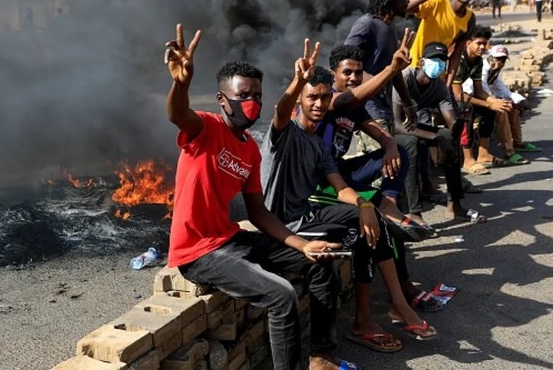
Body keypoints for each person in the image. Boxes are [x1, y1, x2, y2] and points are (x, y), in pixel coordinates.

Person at [164, 23, 355, 370]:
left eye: (257, 96)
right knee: (281, 295)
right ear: (223, 99)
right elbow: (177, 114)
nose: (252, 103)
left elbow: (258, 212)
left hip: (229, 238)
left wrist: (302, 245)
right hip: (198, 252)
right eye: (243, 96)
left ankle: (322, 356)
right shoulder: (205, 128)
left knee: (320, 263)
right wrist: (181, 83)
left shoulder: (250, 149)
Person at [261, 37, 437, 355]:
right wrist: (297, 81)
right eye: (311, 97)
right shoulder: (285, 132)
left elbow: (340, 185)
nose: (318, 104)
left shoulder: (319, 144)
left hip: (309, 214)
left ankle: (375, 314)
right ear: (301, 100)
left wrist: (363, 202)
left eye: (323, 97)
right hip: (283, 224)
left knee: (372, 223)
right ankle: (383, 310)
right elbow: (282, 111)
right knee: (365, 231)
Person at [345, 0, 449, 154]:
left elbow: (395, 72)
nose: (407, 1)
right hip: (369, 112)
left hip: (385, 111)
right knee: (377, 174)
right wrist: (374, 83)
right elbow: (346, 62)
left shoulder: (389, 29)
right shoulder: (366, 24)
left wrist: (409, 104)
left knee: (390, 172)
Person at [393, 41, 487, 225]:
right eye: (434, 60)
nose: (438, 64)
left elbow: (451, 124)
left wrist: (461, 119)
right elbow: (396, 124)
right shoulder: (406, 77)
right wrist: (433, 137)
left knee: (447, 138)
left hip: (414, 125)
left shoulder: (439, 86)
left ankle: (455, 205)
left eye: (442, 60)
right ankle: (415, 212)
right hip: (391, 126)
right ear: (421, 62)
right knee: (410, 144)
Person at [449, 26, 512, 175]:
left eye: (485, 43)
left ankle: (483, 154)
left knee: (489, 111)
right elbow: (458, 95)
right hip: (440, 96)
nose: (483, 47)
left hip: (457, 95)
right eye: (479, 43)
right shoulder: (459, 60)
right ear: (468, 43)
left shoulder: (477, 61)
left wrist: (493, 103)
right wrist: (489, 103)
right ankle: (468, 159)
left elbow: (479, 91)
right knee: (466, 110)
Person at [462, 45, 541, 162]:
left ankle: (517, 143)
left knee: (513, 107)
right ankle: (509, 152)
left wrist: (519, 99)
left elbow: (502, 90)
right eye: (497, 59)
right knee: (501, 111)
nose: (500, 63)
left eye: (503, 60)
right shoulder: (482, 69)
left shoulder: (493, 72)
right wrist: (497, 103)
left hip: (484, 99)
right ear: (491, 57)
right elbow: (481, 92)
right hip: (470, 101)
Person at [409, 0, 479, 89]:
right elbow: (405, 8)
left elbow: (456, 55)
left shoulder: (470, 19)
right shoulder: (437, 3)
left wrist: (447, 86)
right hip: (415, 68)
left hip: (437, 76)